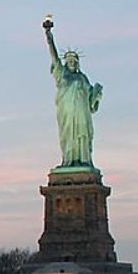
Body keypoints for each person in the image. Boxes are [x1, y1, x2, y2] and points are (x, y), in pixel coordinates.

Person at [44, 17, 103, 167]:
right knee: (68, 135)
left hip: (82, 112)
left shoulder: (83, 78)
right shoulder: (62, 74)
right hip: (67, 112)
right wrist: (49, 36)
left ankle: (83, 160)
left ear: (77, 63)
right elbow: (54, 56)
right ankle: (68, 161)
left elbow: (91, 104)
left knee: (83, 134)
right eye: (68, 60)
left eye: (73, 61)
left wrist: (96, 95)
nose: (71, 62)